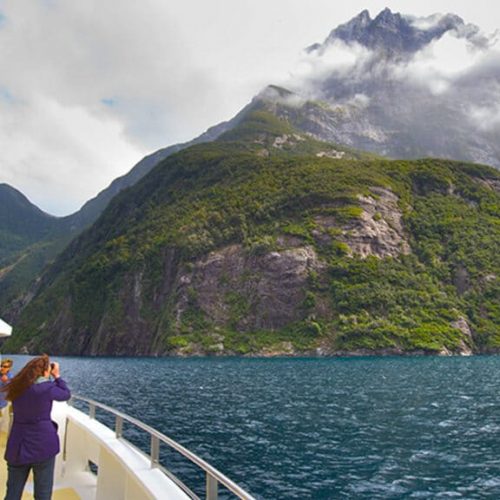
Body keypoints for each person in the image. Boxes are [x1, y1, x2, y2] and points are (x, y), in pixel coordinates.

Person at [1, 355, 71, 500]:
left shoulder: (16, 386)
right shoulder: (47, 388)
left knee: (12, 493)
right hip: (43, 445)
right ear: (45, 371)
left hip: (18, 445)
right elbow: (65, 394)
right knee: (43, 494)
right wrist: (57, 376)